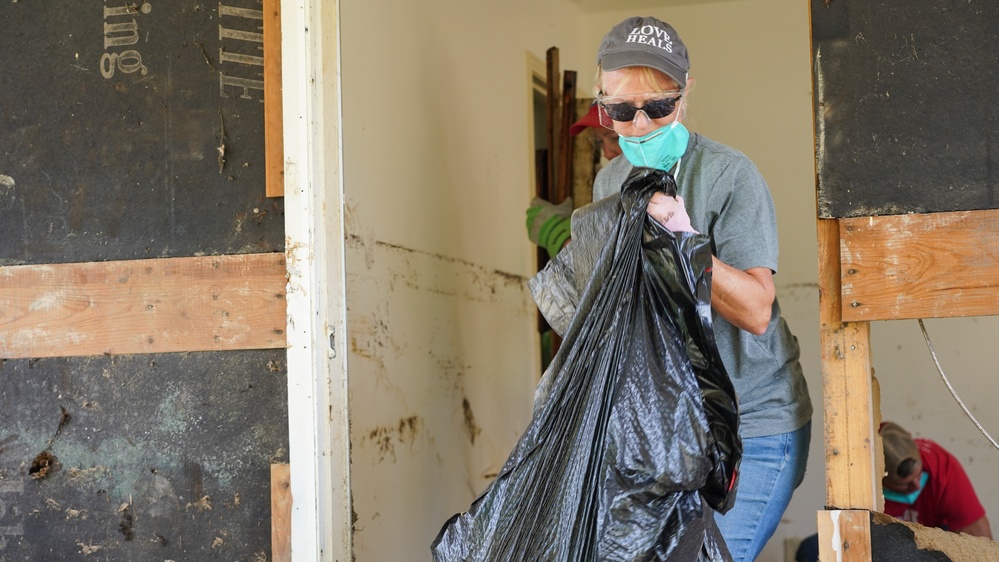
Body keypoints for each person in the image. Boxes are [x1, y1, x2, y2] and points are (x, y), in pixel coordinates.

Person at [529, 16, 812, 562]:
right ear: (602, 102)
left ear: (684, 97)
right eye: (620, 112)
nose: (637, 126)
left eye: (657, 107)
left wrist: (686, 241)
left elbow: (756, 309)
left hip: (754, 424)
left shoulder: (730, 176)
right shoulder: (611, 181)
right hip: (671, 429)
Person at [881, 421, 992, 538]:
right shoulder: (867, 489)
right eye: (905, 484)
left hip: (939, 537)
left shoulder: (941, 465)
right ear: (881, 477)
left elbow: (976, 533)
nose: (917, 486)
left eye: (919, 475)